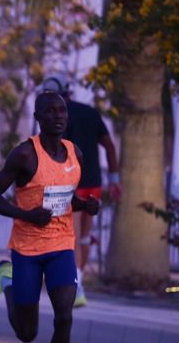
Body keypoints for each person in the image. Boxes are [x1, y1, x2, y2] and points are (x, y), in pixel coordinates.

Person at [0, 91, 99, 343]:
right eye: (50, 111)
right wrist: (26, 215)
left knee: (65, 315)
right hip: (28, 250)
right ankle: (5, 279)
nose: (58, 116)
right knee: (27, 332)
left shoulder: (74, 152)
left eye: (62, 111)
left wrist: (85, 205)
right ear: (38, 117)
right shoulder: (24, 154)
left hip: (61, 246)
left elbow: (65, 197)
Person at [41, 75, 120, 307]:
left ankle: (76, 288)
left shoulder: (55, 117)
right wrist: (114, 179)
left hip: (70, 184)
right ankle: (79, 282)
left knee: (72, 238)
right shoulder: (90, 113)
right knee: (84, 237)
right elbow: (109, 146)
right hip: (93, 183)